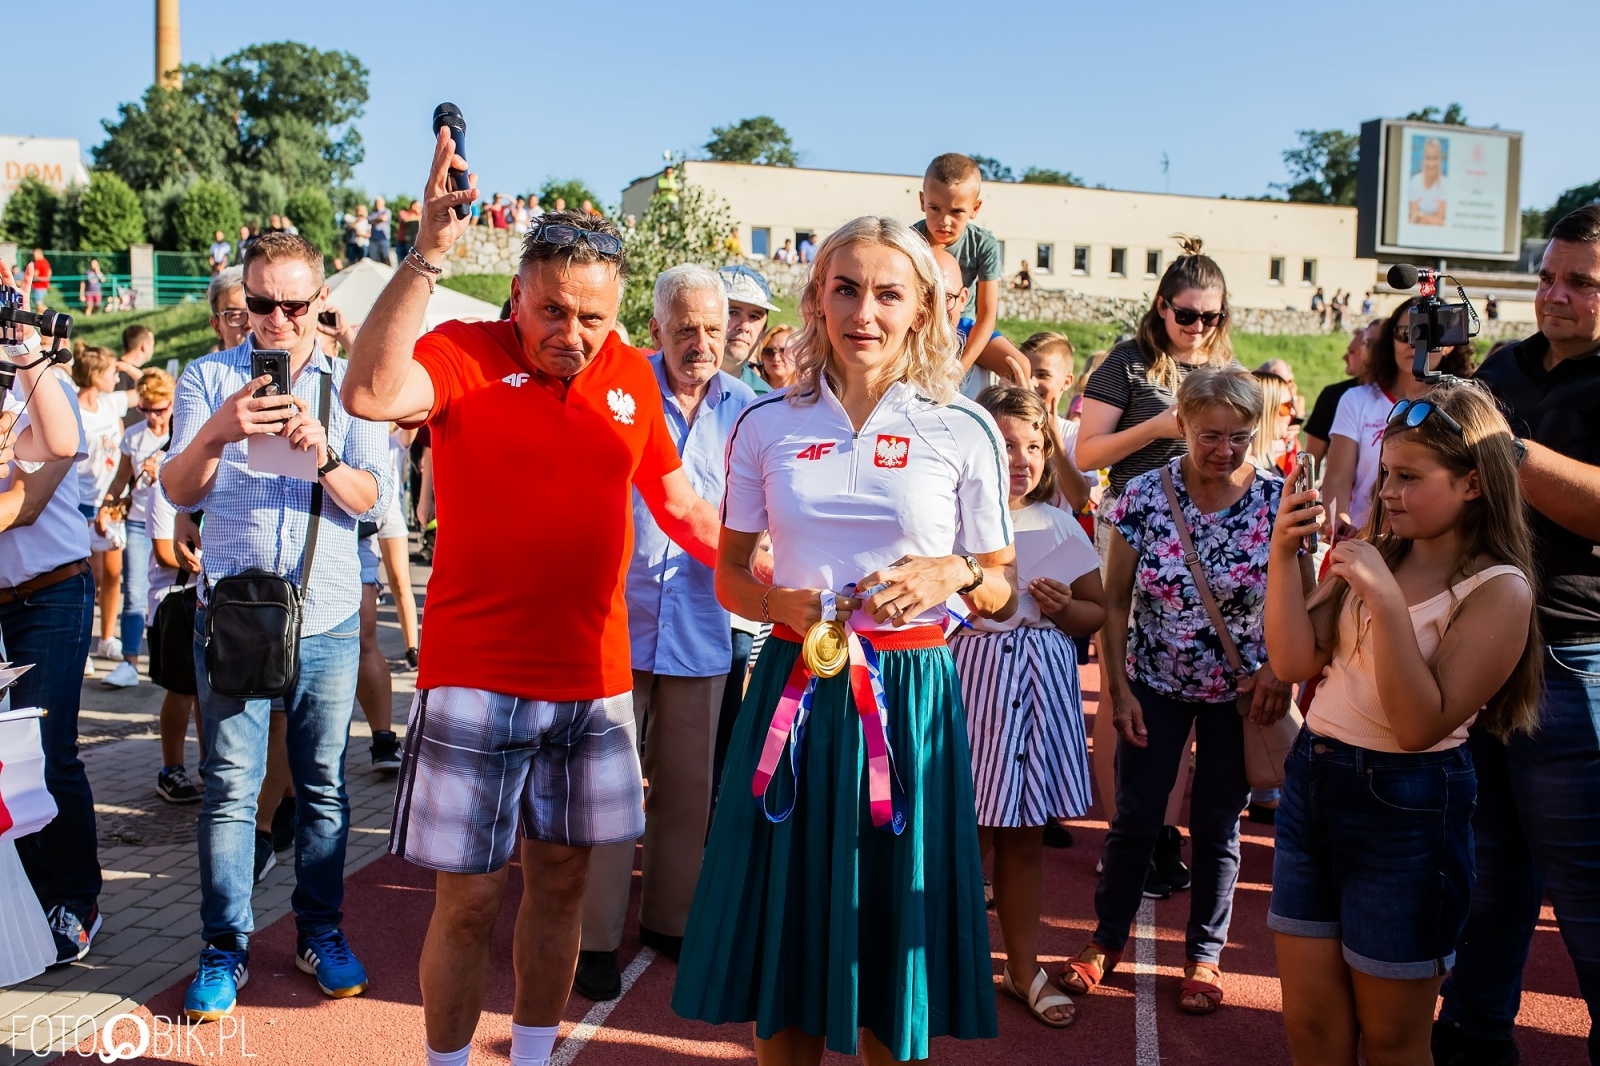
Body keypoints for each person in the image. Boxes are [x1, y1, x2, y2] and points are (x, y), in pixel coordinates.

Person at [342, 127, 724, 1066]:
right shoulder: (464, 352)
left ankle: (537, 1052)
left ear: (620, 314)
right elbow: (367, 391)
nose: (571, 336)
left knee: (560, 888)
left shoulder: (631, 373)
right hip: (475, 676)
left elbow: (680, 506)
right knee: (468, 900)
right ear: (518, 293)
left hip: (592, 688)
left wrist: (790, 573)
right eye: (552, 311)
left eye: (593, 318)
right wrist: (427, 254)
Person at [672, 215, 1018, 1063]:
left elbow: (1002, 588)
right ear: (818, 300)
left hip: (912, 700)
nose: (866, 311)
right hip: (796, 686)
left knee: (886, 941)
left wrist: (956, 577)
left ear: (924, 308)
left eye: (888, 293)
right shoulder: (763, 423)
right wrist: (773, 604)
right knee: (786, 941)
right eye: (846, 288)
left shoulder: (964, 428)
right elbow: (729, 580)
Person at [1265, 382, 1539, 1066]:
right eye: (1386, 474)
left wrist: (1386, 606)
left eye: (1409, 478)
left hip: (1410, 804)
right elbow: (1294, 656)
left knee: (1392, 1041)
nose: (1386, 491)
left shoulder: (1499, 589)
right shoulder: (1377, 553)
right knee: (1313, 1029)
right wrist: (1283, 555)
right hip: (1313, 782)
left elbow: (1418, 725)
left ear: (1473, 484)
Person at [161, 230, 394, 1021]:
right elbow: (175, 489)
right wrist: (221, 430)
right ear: (244, 302)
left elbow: (375, 504)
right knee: (230, 789)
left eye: (295, 305)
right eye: (262, 304)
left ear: (319, 300)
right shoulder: (207, 378)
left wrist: (326, 455)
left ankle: (318, 931)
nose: (279, 321)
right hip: (233, 611)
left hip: (326, 615)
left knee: (322, 786)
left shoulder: (353, 382)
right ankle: (223, 950)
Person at [1065, 365, 1291, 1016]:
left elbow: (1302, 602)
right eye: (1210, 435)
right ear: (1183, 425)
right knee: (1136, 818)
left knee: (1220, 826)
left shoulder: (1278, 501)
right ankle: (1105, 941)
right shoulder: (1141, 495)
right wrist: (1118, 691)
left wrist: (1277, 670)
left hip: (1241, 695)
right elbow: (1112, 600)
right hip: (1153, 681)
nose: (1224, 451)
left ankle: (1205, 955)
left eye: (1240, 437)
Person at [1435, 204, 1600, 1066]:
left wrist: (1504, 446)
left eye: (1581, 283)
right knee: (1488, 873)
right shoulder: (1506, 365)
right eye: (1547, 278)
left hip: (1577, 657)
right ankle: (1472, 1036)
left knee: (1587, 888)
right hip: (1487, 648)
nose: (1555, 297)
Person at [577, 264, 757, 1001]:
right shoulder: (614, 391)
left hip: (704, 626)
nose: (702, 343)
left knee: (688, 790)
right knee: (609, 791)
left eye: (714, 329)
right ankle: (592, 939)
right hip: (614, 625)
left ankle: (669, 922)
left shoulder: (747, 408)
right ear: (656, 328)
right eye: (686, 328)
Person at [1075, 236, 1235, 893]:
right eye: (1189, 315)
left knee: (1188, 690)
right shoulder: (1127, 362)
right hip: (1134, 537)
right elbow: (1087, 453)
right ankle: (1125, 839)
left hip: (1205, 542)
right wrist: (1161, 428)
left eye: (1213, 317)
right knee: (1126, 688)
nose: (1200, 328)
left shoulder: (1225, 369)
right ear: (1162, 308)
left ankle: (1163, 834)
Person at [953, 384, 1104, 1029]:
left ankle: (1021, 966)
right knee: (960, 835)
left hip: (1038, 691)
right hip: (968, 684)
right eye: (1005, 444)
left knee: (1022, 838)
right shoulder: (951, 519)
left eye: (1034, 444)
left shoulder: (1055, 522)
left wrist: (1065, 608)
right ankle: (944, 961)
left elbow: (1097, 609)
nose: (1021, 458)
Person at [0, 256, 104, 967]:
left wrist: (24, 346)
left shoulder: (41, 384)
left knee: (47, 753)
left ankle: (75, 900)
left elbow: (48, 467)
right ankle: (27, 905)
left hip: (53, 592)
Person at [1320, 297, 1473, 540]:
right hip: (1362, 543)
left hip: (1435, 552)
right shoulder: (1356, 399)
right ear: (1389, 340)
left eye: (1427, 334)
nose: (1414, 343)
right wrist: (1339, 518)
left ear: (1449, 343)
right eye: (1405, 333)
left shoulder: (1465, 407)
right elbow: (1338, 477)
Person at [97, 368, 175, 690]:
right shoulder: (134, 435)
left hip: (174, 523)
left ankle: (164, 659)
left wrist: (165, 473)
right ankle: (130, 661)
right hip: (139, 522)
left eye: (160, 409)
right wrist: (106, 507)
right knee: (134, 594)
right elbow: (120, 481)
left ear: (172, 404)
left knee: (169, 596)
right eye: (144, 409)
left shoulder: (185, 432)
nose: (153, 417)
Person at [914, 153, 1010, 398]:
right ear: (922, 201)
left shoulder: (983, 243)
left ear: (975, 208)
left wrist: (960, 368)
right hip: (920, 324)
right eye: (935, 208)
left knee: (1018, 366)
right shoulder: (909, 241)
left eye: (956, 212)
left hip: (965, 325)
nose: (944, 220)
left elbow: (987, 315)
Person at [74, 345, 138, 671]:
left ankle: (107, 637)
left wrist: (125, 363)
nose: (118, 377)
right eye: (112, 372)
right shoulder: (72, 407)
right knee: (87, 578)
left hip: (111, 501)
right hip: (81, 501)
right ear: (95, 375)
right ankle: (81, 645)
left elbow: (147, 388)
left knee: (113, 575)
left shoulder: (112, 402)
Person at [1303, 323, 1374, 463]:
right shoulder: (1333, 395)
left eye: (1351, 352)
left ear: (1368, 352)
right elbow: (1310, 462)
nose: (1344, 357)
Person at [718, 264, 780, 396]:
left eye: (754, 316)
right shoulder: (671, 382)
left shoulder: (765, 399)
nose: (744, 326)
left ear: (763, 331)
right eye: (732, 312)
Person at [1408, 136, 1448, 226]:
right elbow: (1413, 217)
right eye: (1428, 158)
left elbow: (1441, 220)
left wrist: (1421, 217)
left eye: (1435, 158)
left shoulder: (1445, 183)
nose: (1431, 164)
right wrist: (1434, 220)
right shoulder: (1415, 181)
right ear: (1424, 159)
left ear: (1440, 160)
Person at [753, 323, 799, 391]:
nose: (776, 358)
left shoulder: (811, 395)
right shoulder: (751, 391)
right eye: (768, 352)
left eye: (783, 351)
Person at [369, 197, 393, 264]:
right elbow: (369, 221)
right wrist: (378, 219)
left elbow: (384, 219)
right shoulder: (372, 213)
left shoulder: (387, 211)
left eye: (379, 203)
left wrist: (374, 220)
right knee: (375, 260)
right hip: (374, 239)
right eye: (376, 202)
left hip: (384, 238)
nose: (377, 204)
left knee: (386, 258)